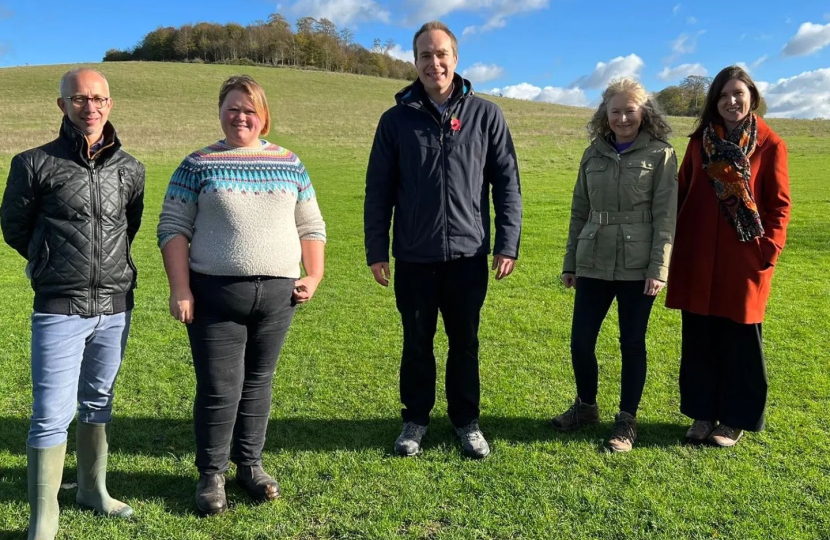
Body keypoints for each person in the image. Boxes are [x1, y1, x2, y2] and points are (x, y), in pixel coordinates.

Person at [157, 75, 326, 515]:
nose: (241, 117)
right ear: (220, 112)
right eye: (233, 108)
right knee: (218, 389)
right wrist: (180, 289)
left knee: (258, 384)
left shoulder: (290, 163)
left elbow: (311, 225)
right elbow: (173, 228)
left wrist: (315, 275)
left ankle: (249, 466)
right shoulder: (197, 164)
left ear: (264, 115)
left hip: (278, 297)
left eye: (249, 109)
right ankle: (212, 475)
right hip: (214, 296)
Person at [364, 21, 522, 460]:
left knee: (464, 342)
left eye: (441, 54)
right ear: (414, 62)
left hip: (468, 256)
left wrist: (507, 243)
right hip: (414, 256)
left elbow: (506, 183)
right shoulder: (395, 121)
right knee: (416, 342)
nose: (434, 63)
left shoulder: (486, 115)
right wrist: (377, 249)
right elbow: (378, 189)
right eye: (425, 56)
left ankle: (466, 421)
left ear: (455, 58)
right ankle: (415, 419)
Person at [1, 68, 145, 539]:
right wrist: (51, 262)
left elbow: (130, 226)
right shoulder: (32, 163)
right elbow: (15, 228)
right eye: (80, 99)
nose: (91, 107)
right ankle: (43, 519)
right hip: (58, 306)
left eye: (99, 99)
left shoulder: (131, 169)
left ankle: (91, 489)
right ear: (62, 105)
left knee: (98, 400)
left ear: (110, 103)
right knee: (49, 413)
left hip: (115, 305)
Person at [666, 65, 790, 447]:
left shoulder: (770, 144)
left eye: (738, 93)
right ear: (713, 103)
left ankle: (733, 420)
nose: (731, 101)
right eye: (723, 95)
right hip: (698, 257)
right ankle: (703, 415)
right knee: (700, 337)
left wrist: (765, 252)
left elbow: (779, 206)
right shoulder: (697, 143)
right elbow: (681, 193)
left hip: (744, 260)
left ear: (752, 96)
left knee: (740, 341)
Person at [551, 78, 677, 453]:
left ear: (644, 113)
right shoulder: (593, 153)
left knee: (631, 343)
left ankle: (626, 420)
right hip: (592, 261)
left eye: (630, 110)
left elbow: (666, 217)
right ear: (605, 115)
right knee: (580, 341)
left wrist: (659, 268)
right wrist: (570, 261)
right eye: (616, 111)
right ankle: (586, 408)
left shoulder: (661, 154)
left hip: (638, 266)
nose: (623, 118)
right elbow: (579, 211)